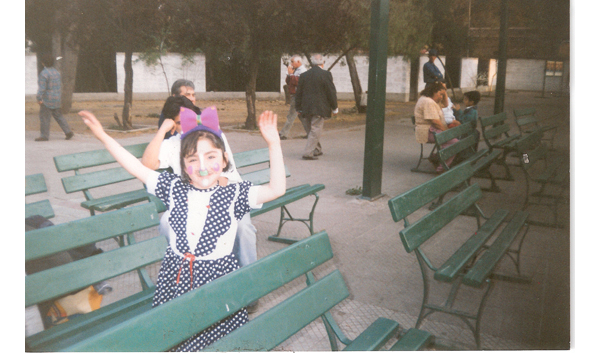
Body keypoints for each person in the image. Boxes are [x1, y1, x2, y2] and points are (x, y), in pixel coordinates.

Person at [79, 108, 285, 351]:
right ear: (183, 164)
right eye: (192, 159)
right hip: (175, 279)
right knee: (175, 339)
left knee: (220, 341)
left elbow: (276, 189)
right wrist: (104, 136)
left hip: (218, 283)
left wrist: (274, 143)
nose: (203, 166)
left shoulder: (236, 192)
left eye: (211, 156)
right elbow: (135, 167)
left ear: (225, 159)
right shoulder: (173, 188)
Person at [142, 97, 261, 312]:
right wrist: (162, 131)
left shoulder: (214, 136)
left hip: (225, 196)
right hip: (189, 205)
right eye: (180, 122)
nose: (192, 124)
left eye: (194, 118)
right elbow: (148, 165)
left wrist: (215, 187)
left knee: (244, 229)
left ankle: (249, 287)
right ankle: (187, 275)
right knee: (167, 222)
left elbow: (228, 172)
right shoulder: (172, 144)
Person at [294, 54, 338, 160]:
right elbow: (331, 92)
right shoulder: (326, 74)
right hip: (319, 107)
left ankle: (317, 149)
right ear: (322, 63)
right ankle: (308, 152)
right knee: (315, 129)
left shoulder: (304, 75)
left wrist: (298, 107)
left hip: (306, 107)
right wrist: (334, 107)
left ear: (312, 63)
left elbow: (298, 93)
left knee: (311, 129)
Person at [414, 81, 458, 172]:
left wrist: (444, 92)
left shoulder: (431, 99)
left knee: (455, 138)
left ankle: (436, 157)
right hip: (428, 131)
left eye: (443, 95)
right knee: (454, 142)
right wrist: (447, 132)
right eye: (440, 94)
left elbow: (446, 104)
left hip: (432, 130)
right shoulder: (428, 102)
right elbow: (435, 121)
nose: (441, 97)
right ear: (434, 92)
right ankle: (441, 168)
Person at [35, 53, 74, 141]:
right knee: (59, 116)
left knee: (45, 118)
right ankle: (68, 131)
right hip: (56, 99)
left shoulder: (44, 73)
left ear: (42, 63)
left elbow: (42, 88)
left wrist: (39, 98)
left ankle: (44, 136)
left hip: (47, 100)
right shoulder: (56, 72)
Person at [279, 55, 307, 140]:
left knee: (291, 115)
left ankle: (283, 133)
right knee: (301, 115)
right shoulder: (296, 70)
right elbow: (289, 82)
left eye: (292, 62)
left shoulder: (303, 71)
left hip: (298, 96)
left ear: (298, 62)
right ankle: (310, 132)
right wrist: (289, 74)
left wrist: (291, 74)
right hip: (296, 95)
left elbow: (298, 82)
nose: (291, 64)